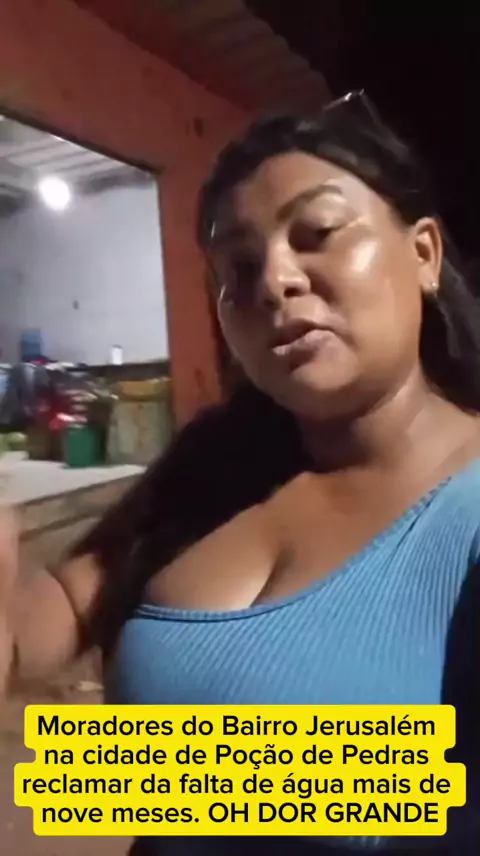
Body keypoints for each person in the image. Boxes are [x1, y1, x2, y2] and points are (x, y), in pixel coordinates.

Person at [2, 92, 480, 855]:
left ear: (423, 253)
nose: (274, 281)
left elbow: (445, 790)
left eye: (317, 233)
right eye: (239, 266)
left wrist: (78, 778)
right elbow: (65, 598)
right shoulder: (216, 465)